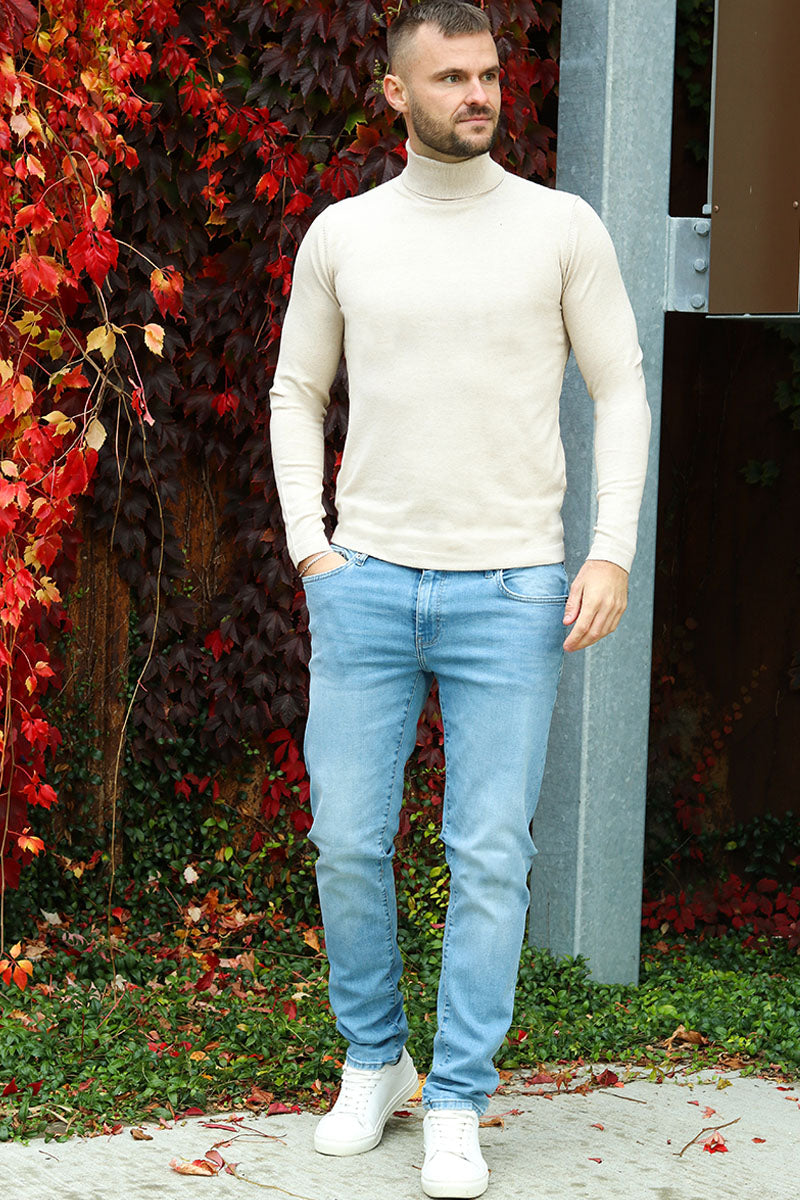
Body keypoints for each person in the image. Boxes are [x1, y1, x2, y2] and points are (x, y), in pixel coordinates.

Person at [268, 2, 650, 1196]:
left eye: (486, 74)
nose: (476, 94)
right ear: (396, 94)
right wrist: (311, 550)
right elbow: (294, 393)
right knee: (344, 839)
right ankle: (373, 1060)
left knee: (488, 853)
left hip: (513, 587)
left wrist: (608, 551)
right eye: (449, 78)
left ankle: (457, 1099)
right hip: (366, 583)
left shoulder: (558, 228)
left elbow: (621, 388)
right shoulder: (344, 234)